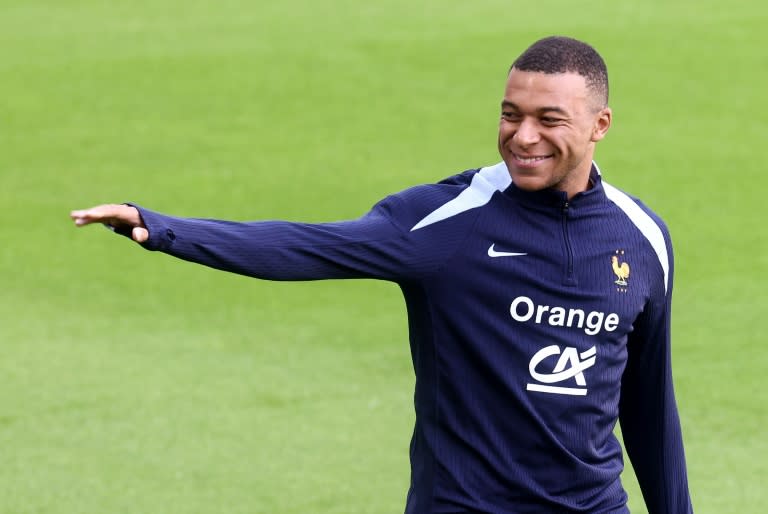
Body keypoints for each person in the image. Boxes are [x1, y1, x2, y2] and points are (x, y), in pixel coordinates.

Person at [71, 36, 694, 513]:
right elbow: (310, 246)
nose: (522, 135)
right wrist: (163, 228)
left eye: (548, 120)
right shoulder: (448, 221)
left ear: (599, 125)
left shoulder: (643, 240)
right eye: (510, 114)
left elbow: (648, 406)